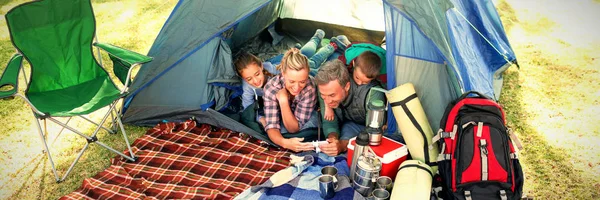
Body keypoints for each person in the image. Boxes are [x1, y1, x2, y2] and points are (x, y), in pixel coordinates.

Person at [315, 60, 386, 156]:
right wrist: (332, 139)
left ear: (347, 86)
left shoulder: (372, 94)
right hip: (348, 124)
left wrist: (343, 145)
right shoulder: (325, 89)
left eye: (332, 95)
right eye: (323, 95)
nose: (327, 101)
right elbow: (329, 121)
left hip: (366, 129)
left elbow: (374, 133)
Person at [263, 48, 319, 152]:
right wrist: (285, 143)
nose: (297, 87)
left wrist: (283, 102)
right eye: (292, 81)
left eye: (302, 81)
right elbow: (272, 125)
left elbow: (294, 128)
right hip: (286, 117)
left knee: (311, 126)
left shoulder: (310, 87)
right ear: (283, 74)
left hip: (302, 118)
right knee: (278, 133)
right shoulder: (271, 88)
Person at [322, 39, 387, 121]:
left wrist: (388, 120)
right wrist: (328, 107)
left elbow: (391, 94)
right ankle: (341, 43)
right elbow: (326, 78)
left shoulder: (384, 73)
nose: (359, 83)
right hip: (355, 48)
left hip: (377, 51)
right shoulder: (347, 58)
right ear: (353, 63)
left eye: (366, 82)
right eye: (357, 77)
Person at [234, 51, 279, 127]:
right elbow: (248, 107)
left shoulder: (270, 69)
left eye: (257, 74)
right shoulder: (246, 87)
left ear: (261, 66)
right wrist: (260, 118)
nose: (255, 81)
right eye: (249, 79)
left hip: (277, 63)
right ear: (243, 78)